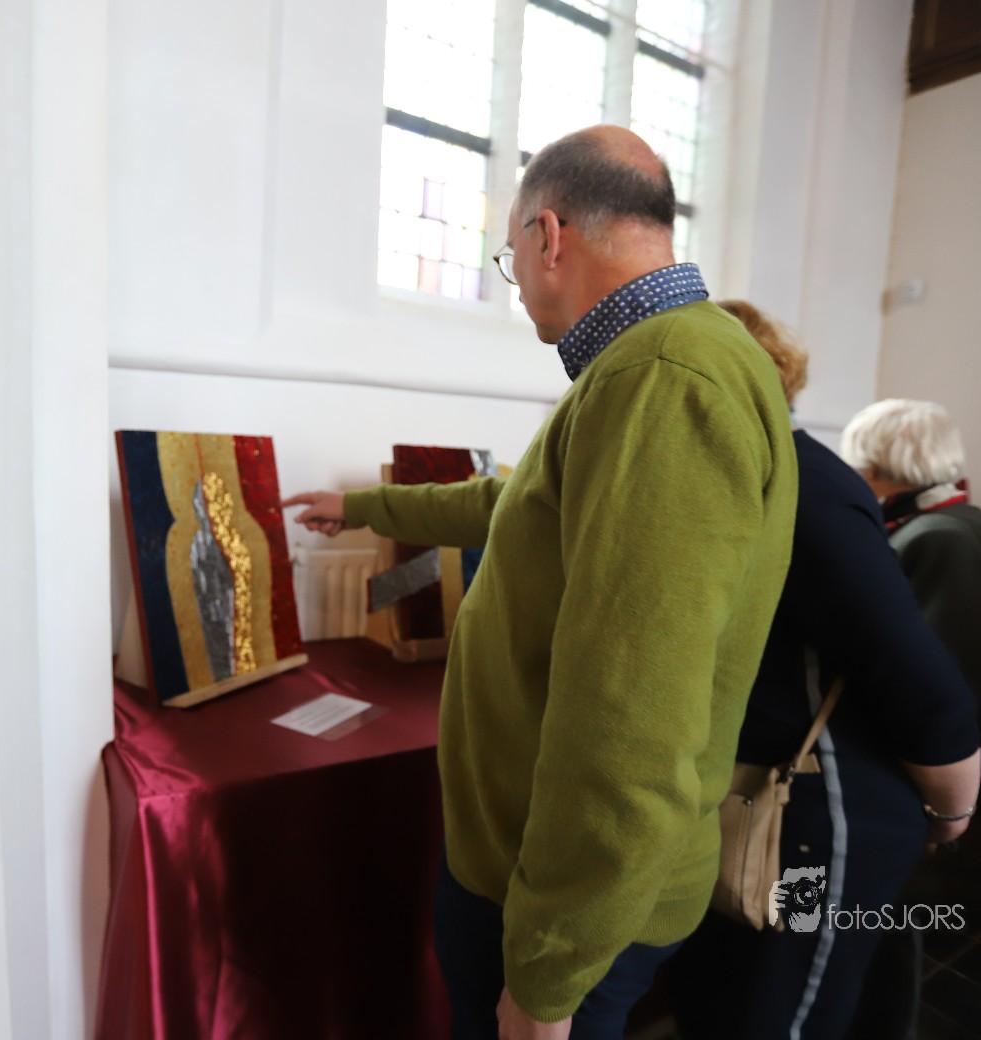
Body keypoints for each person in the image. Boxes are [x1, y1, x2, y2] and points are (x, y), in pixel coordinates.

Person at [283, 126, 798, 1040]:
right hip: (543, 880)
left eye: (509, 252)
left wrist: (549, 975)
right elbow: (515, 502)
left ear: (548, 235)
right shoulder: (654, 362)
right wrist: (362, 505)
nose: (514, 278)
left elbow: (632, 719)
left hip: (563, 911)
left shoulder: (667, 378)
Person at [662, 302, 981, 1040]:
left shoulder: (807, 480)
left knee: (787, 1006)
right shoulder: (711, 473)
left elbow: (917, 680)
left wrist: (950, 812)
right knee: (721, 998)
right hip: (741, 798)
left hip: (815, 823)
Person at [839, 399, 981, 1038]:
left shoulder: (939, 538)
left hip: (936, 781)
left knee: (884, 929)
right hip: (964, 768)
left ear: (878, 465)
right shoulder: (961, 521)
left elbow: (932, 689)